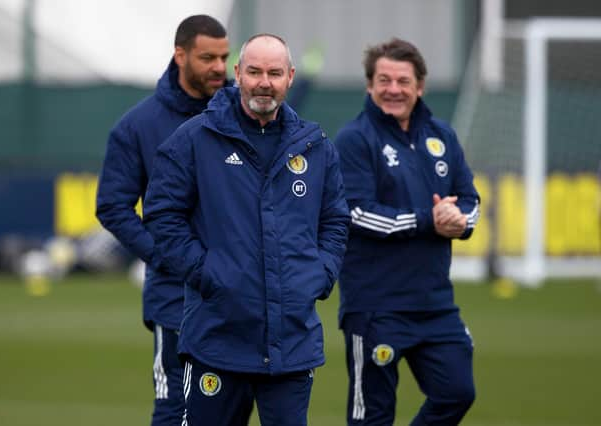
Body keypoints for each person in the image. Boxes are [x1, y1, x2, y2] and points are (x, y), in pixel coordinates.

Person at [143, 33, 349, 426]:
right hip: (217, 339)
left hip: (291, 342)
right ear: (236, 73)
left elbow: (336, 219)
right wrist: (206, 273)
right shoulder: (195, 138)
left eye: (274, 72)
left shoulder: (316, 146)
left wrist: (319, 275)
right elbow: (161, 213)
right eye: (253, 71)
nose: (263, 82)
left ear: (290, 77)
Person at [334, 38, 480, 425]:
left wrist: (459, 220)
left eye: (403, 80)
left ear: (420, 86)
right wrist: (428, 220)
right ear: (370, 85)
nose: (393, 89)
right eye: (384, 80)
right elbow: (357, 212)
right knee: (372, 416)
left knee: (457, 392)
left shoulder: (442, 136)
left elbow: (470, 200)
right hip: (375, 307)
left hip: (434, 303)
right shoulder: (354, 139)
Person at [95, 15, 231, 426]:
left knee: (232, 410)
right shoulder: (137, 126)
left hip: (240, 292)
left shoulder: (243, 113)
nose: (220, 68)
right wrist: (166, 255)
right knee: (175, 410)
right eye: (208, 57)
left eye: (225, 57)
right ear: (180, 55)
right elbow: (113, 206)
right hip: (175, 298)